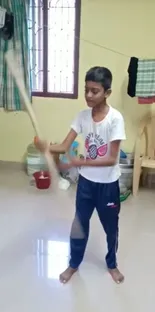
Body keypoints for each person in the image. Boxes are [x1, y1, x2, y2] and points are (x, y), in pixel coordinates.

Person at [36, 66, 126, 284]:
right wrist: (46, 146)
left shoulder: (115, 119)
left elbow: (112, 158)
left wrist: (79, 161)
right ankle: (73, 264)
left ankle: (112, 264)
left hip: (107, 186)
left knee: (111, 229)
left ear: (107, 92)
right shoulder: (82, 116)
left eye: (94, 91)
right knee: (79, 225)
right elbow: (65, 145)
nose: (88, 95)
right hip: (86, 184)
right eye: (86, 89)